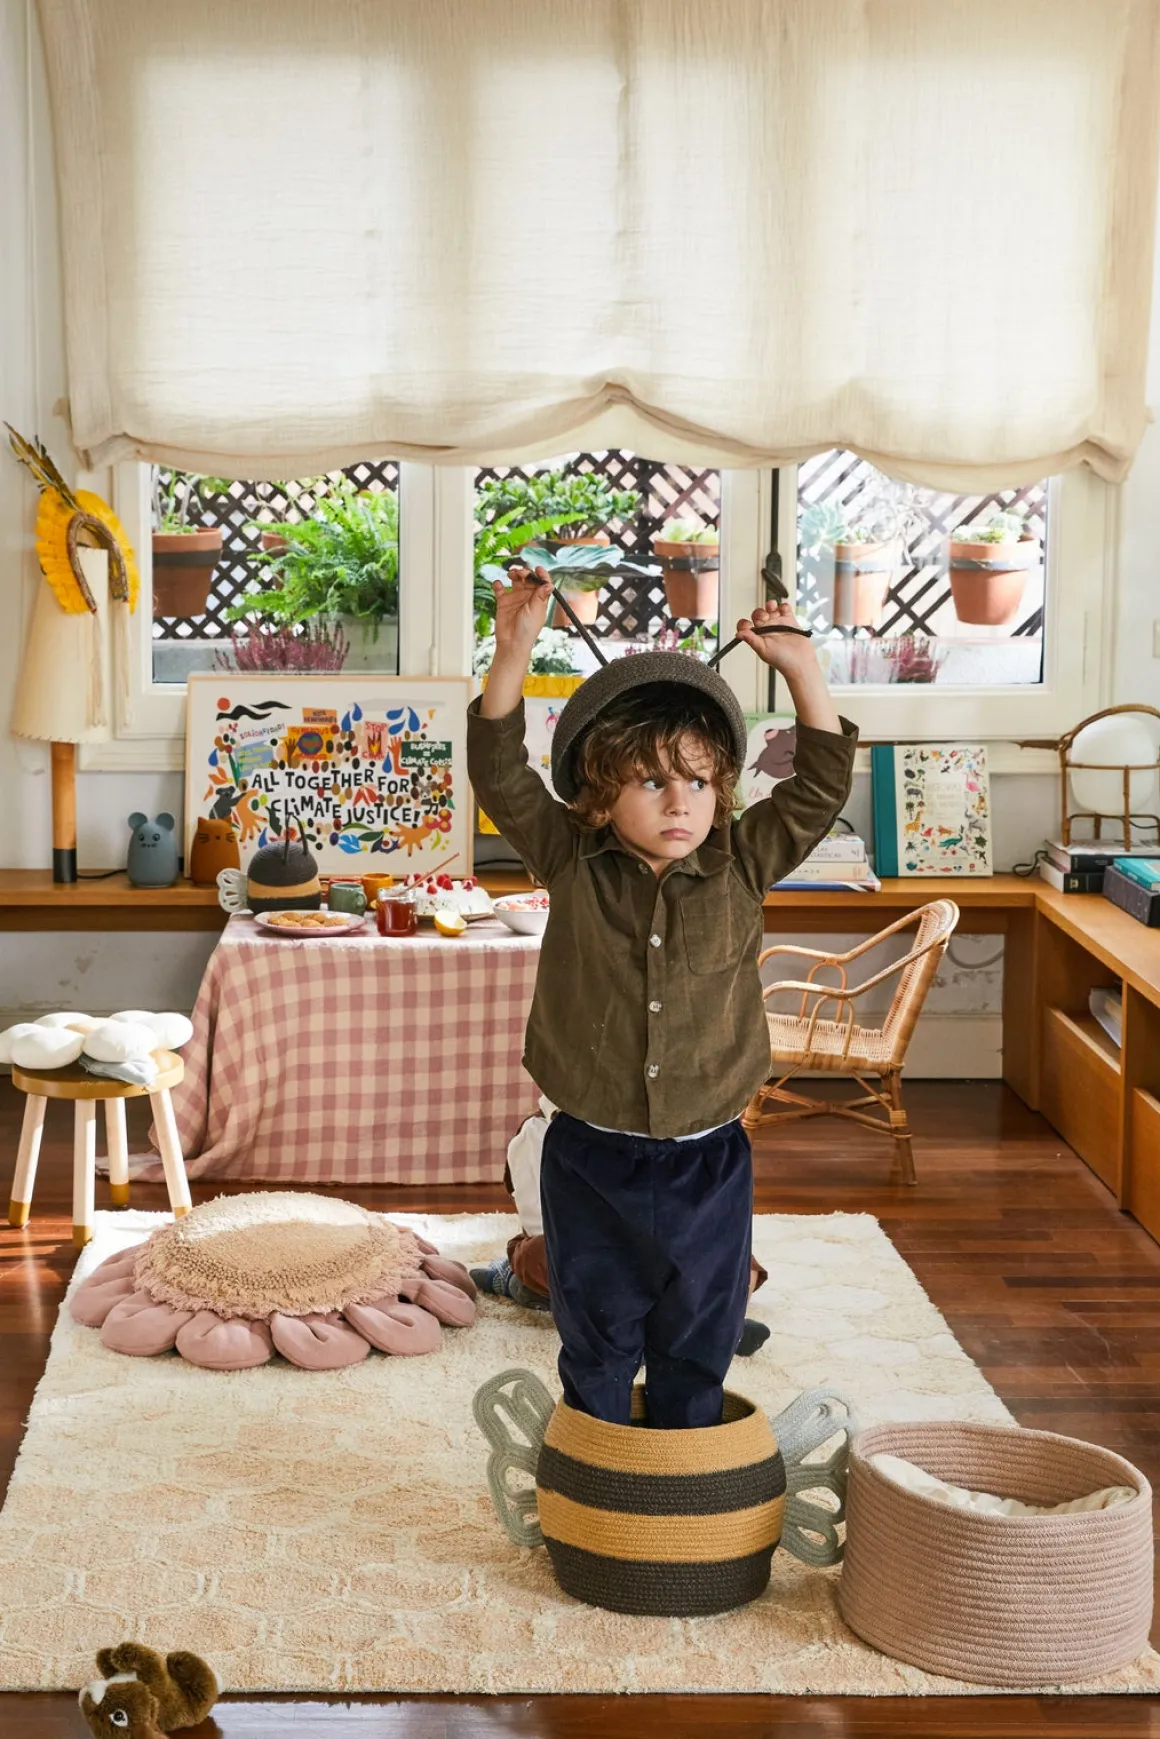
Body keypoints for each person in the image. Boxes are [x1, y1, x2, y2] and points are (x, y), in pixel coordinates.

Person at [467, 569, 856, 1428]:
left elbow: (820, 787)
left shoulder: (745, 859)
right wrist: (513, 649)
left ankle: (685, 1472)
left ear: (722, 787)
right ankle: (598, 1464)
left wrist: (802, 671)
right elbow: (498, 770)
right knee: (596, 1336)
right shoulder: (568, 857)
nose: (681, 802)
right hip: (589, 1153)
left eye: (699, 781)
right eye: (650, 782)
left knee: (697, 1338)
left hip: (707, 1158)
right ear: (599, 795)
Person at [471, 1095, 774, 1355]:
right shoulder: (541, 1135)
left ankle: (710, 1324)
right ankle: (702, 1326)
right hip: (611, 1262)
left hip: (641, 1259)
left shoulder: (654, 1134)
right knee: (541, 1254)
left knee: (729, 1250)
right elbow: (545, 1228)